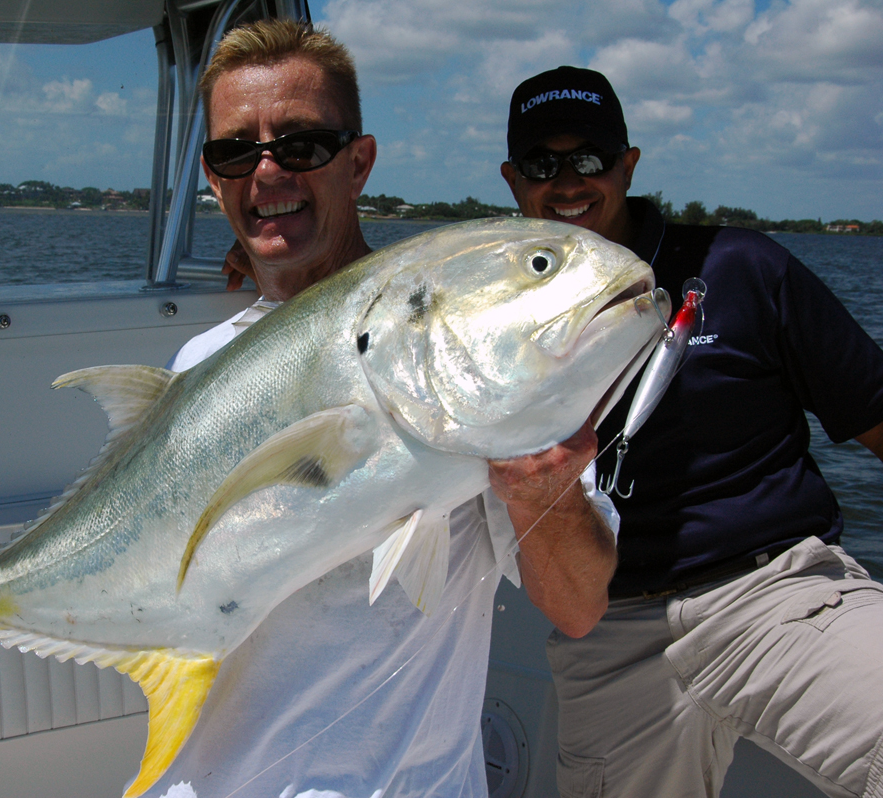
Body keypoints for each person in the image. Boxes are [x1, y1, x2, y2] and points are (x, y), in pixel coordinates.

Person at [145, 21, 619, 798]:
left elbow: (576, 606)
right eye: (239, 151)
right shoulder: (197, 368)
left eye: (300, 145)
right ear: (213, 176)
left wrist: (549, 493)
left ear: (358, 162)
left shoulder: (461, 345)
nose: (268, 173)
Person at [500, 65, 883, 798]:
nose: (570, 182)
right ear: (514, 179)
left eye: (590, 159)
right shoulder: (494, 301)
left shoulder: (741, 266)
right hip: (608, 631)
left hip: (776, 596)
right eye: (544, 165)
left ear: (628, 163)